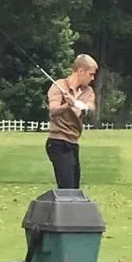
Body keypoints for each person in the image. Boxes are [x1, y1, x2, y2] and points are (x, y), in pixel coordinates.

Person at [45, 54, 97, 189]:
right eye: (90, 74)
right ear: (80, 71)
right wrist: (67, 105)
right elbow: (53, 110)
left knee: (74, 187)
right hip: (58, 142)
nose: (93, 78)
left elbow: (91, 109)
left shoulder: (88, 91)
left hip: (73, 143)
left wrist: (77, 103)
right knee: (67, 188)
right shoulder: (59, 86)